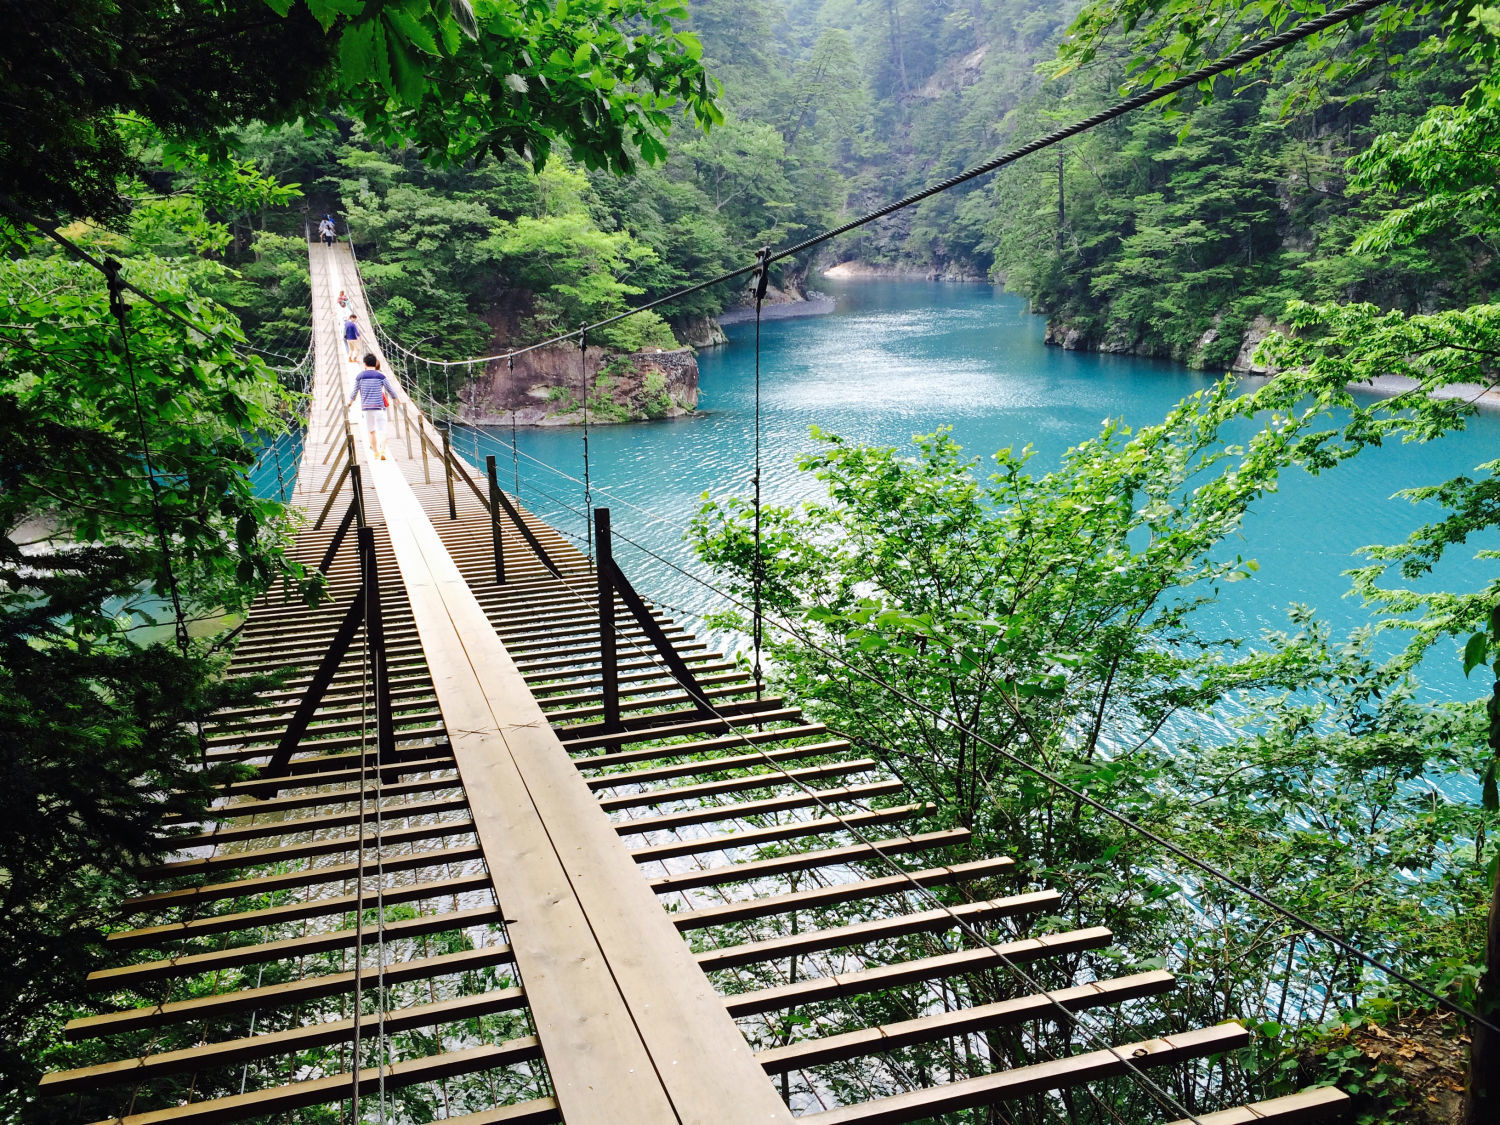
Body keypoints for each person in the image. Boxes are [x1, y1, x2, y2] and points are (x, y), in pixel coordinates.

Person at [347, 354, 400, 460]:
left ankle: (375, 452)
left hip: (367, 408)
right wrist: (396, 399)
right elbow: (390, 390)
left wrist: (350, 402)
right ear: (375, 363)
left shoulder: (360, 376)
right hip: (380, 407)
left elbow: (355, 391)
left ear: (364, 363)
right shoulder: (381, 376)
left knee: (371, 431)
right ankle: (383, 451)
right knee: (383, 430)